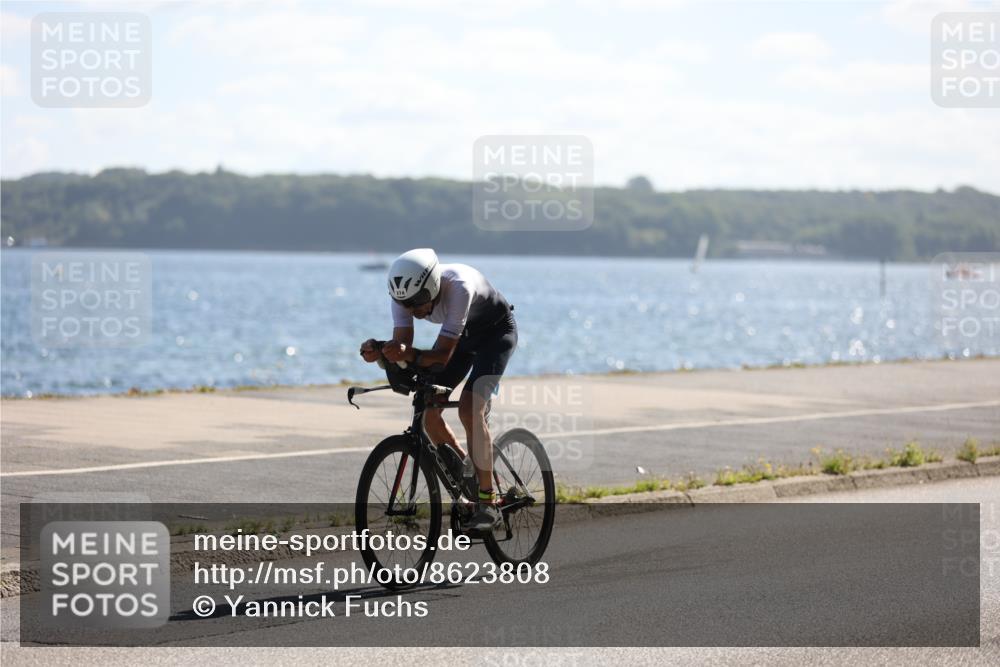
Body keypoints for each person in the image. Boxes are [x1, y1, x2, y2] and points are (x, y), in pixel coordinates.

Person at [359, 248, 517, 533]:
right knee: (430, 409)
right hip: (462, 340)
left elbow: (442, 356)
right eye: (405, 305)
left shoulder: (459, 287)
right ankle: (466, 474)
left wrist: (404, 353)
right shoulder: (404, 297)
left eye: (418, 303)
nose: (413, 311)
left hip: (495, 334)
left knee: (470, 408)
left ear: (431, 286)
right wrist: (383, 352)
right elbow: (405, 354)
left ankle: (488, 502)